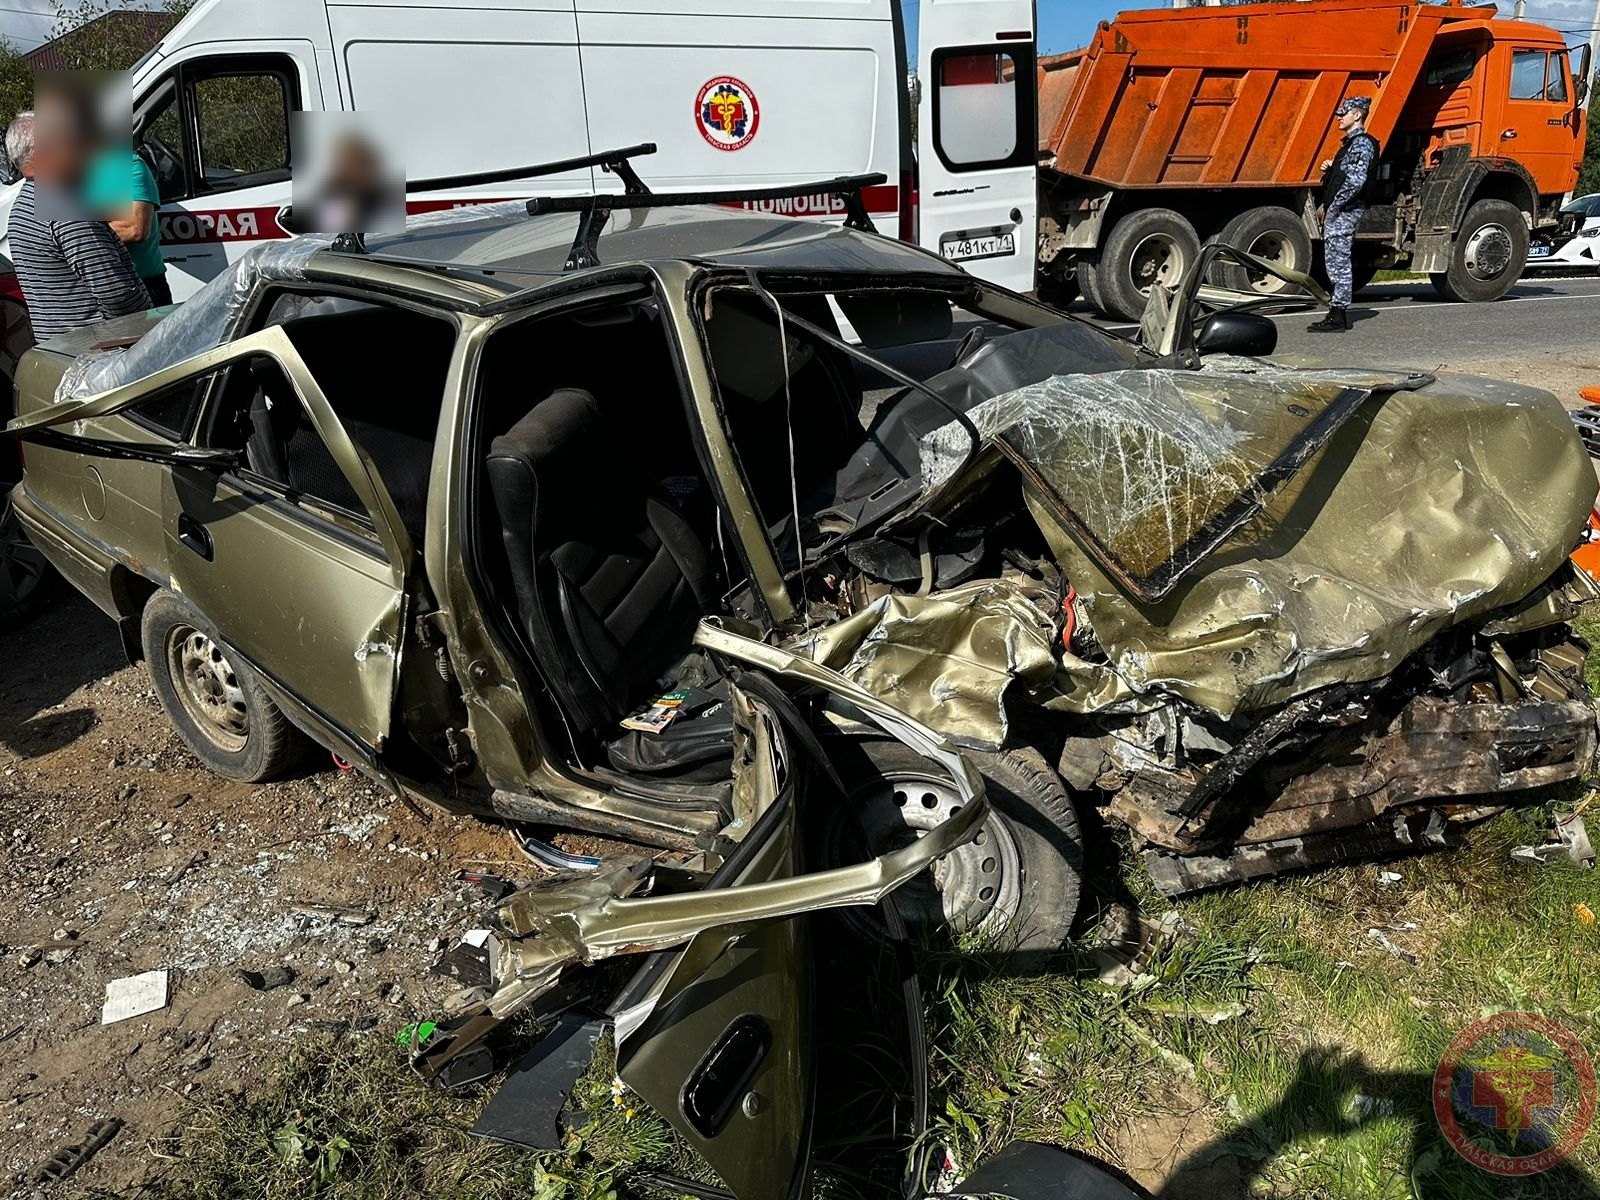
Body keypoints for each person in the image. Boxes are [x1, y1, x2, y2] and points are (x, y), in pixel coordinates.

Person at [5, 111, 151, 342]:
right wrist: (151, 326)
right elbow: (117, 294)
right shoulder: (66, 209)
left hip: (62, 351)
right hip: (101, 353)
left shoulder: (23, 205)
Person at [1308, 96, 1378, 333]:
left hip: (1346, 210)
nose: (1339, 118)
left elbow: (1355, 182)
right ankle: (1336, 313)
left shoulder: (1361, 144)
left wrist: (1335, 207)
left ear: (1357, 115)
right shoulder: (1349, 145)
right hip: (1341, 209)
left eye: (1344, 114)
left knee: (1339, 262)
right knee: (1334, 261)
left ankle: (1338, 315)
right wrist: (1332, 168)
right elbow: (1346, 176)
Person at [87, 147, 171, 306]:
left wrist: (79, 232)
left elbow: (134, 229)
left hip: (144, 284)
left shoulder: (131, 166)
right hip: (95, 289)